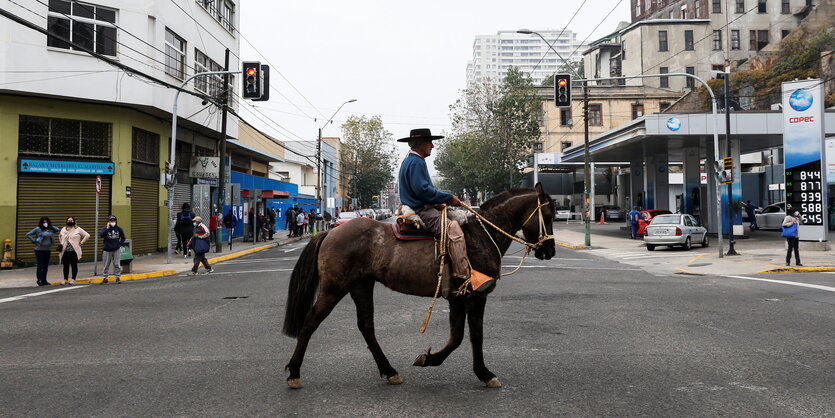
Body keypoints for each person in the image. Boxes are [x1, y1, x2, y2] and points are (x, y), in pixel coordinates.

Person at [398, 128, 470, 281]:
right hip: (422, 209)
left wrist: (441, 202)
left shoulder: (411, 160)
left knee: (461, 219)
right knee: (454, 230)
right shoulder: (416, 162)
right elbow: (422, 191)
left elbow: (425, 190)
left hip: (423, 205)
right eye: (430, 142)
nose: (432, 146)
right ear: (421, 143)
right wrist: (448, 198)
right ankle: (462, 276)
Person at [26, 216, 61, 286]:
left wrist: (50, 226)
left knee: (45, 266)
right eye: (44, 222)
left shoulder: (50, 229)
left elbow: (58, 230)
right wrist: (34, 241)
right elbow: (28, 234)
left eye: (46, 222)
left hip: (47, 249)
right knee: (40, 265)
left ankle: (44, 280)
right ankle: (39, 280)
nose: (45, 223)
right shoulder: (38, 229)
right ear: (41, 222)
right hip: (39, 250)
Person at [58, 216, 90, 285]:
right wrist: (61, 243)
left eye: (71, 220)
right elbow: (60, 236)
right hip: (65, 250)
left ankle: (73, 279)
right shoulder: (63, 229)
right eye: (69, 220)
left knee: (74, 265)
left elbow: (87, 235)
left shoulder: (78, 229)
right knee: (65, 265)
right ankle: (65, 279)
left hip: (74, 250)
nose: (70, 221)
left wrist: (81, 242)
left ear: (74, 221)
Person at [99, 215, 126, 284]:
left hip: (116, 249)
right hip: (107, 249)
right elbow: (101, 235)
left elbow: (123, 238)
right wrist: (107, 228)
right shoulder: (105, 229)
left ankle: (117, 277)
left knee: (117, 264)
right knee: (106, 265)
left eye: (114, 220)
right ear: (108, 222)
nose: (113, 222)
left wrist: (119, 244)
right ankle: (105, 278)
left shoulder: (119, 229)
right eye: (111, 221)